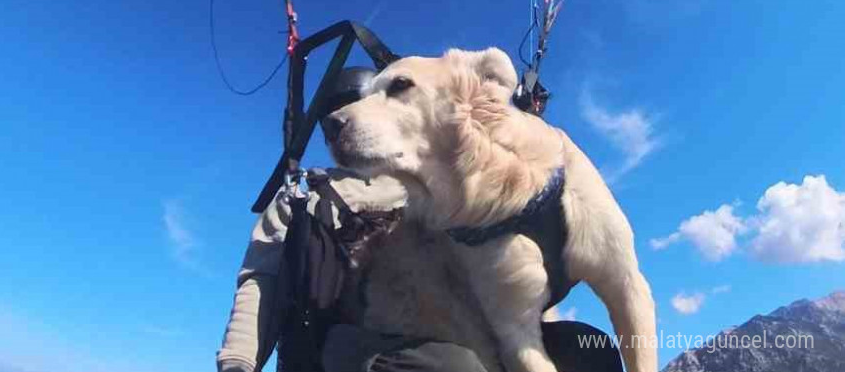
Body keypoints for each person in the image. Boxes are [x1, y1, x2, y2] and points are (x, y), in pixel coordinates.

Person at [216, 69, 624, 372]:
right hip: (355, 339)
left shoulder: (436, 183)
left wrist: (519, 120)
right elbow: (262, 280)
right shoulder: (305, 197)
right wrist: (238, 361)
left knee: (588, 349)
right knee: (455, 367)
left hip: (468, 325)